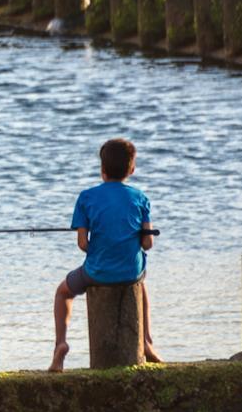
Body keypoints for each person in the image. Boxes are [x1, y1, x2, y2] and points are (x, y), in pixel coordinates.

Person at [50, 138, 160, 372]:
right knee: (142, 284)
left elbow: (82, 243)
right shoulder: (141, 198)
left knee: (62, 293)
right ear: (132, 169)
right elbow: (147, 243)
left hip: (96, 272)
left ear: (102, 170)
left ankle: (60, 345)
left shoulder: (86, 197)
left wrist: (100, 248)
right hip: (131, 273)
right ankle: (147, 342)